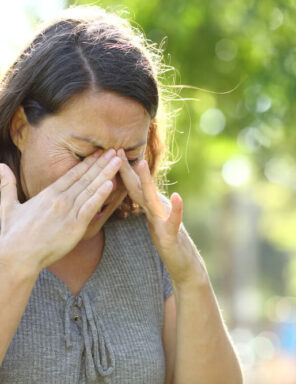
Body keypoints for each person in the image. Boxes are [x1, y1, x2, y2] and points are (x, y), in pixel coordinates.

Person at [0, 5, 243, 384]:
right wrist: (16, 262)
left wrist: (189, 274)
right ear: (20, 128)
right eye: (82, 155)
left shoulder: (147, 245)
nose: (107, 182)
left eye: (129, 157)